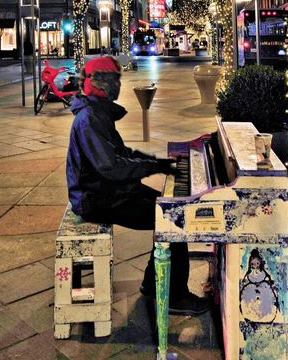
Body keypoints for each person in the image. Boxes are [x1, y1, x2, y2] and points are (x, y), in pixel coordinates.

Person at [66, 55, 209, 316]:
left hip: (110, 191)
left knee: (168, 209)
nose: (119, 85)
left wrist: (157, 163)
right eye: (115, 80)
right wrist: (152, 167)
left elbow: (121, 154)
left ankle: (151, 283)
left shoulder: (97, 113)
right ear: (102, 83)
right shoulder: (89, 119)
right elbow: (112, 167)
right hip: (97, 198)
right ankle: (175, 295)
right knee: (173, 220)